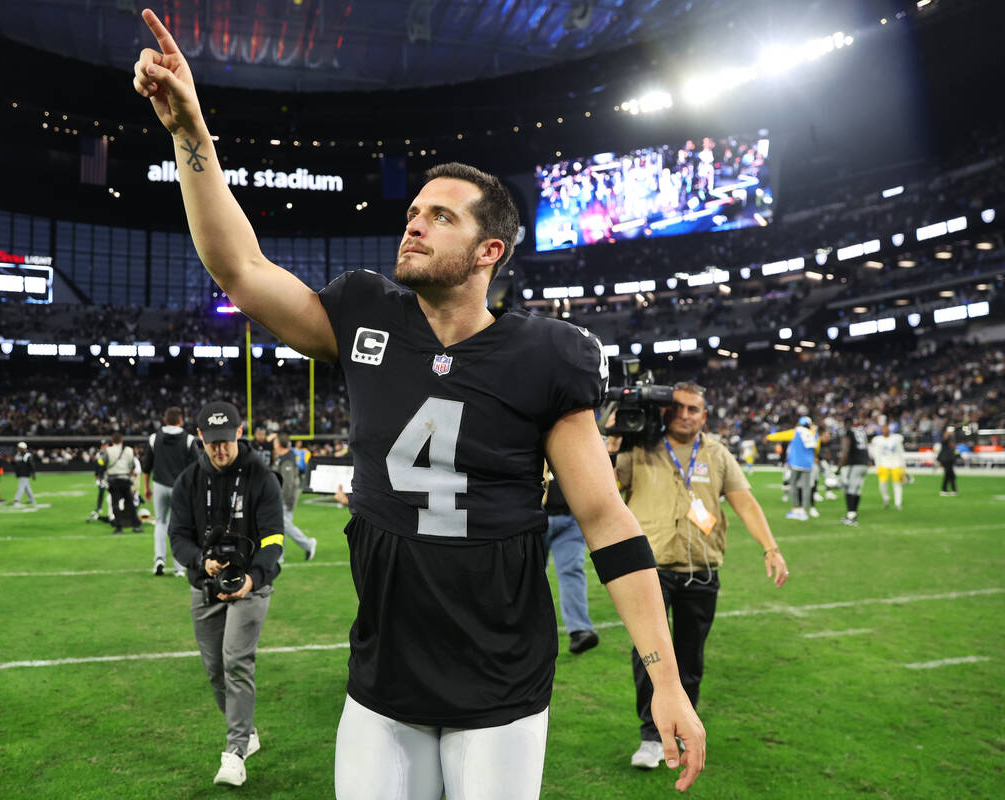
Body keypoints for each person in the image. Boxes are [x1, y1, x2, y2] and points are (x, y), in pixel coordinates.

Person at [134, 14, 705, 795]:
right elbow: (239, 270)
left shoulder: (546, 354)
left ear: (489, 252)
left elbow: (607, 520)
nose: (415, 221)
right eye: (414, 211)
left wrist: (664, 680)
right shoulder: (367, 313)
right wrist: (189, 130)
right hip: (384, 669)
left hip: (499, 678)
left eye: (442, 216)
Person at [610, 382, 788, 770]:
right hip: (649, 570)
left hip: (701, 570)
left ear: (704, 416)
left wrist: (770, 547)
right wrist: (611, 442)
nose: (685, 415)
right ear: (665, 411)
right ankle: (650, 736)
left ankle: (682, 730)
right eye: (678, 408)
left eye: (693, 409)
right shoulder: (639, 447)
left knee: (690, 658)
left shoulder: (718, 455)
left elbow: (745, 502)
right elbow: (605, 490)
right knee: (649, 656)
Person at [168, 401, 285, 787]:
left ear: (239, 432)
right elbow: (178, 536)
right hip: (205, 586)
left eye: (226, 441)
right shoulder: (188, 480)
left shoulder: (262, 478)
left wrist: (253, 578)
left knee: (236, 660)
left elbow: (272, 541)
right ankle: (245, 730)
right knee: (215, 670)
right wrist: (201, 562)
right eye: (212, 442)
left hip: (250, 584)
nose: (220, 450)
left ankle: (234, 753)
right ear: (200, 438)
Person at [542, 465, 597, 654]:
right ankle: (523, 628)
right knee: (528, 574)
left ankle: (580, 630)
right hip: (532, 517)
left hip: (569, 517)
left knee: (572, 570)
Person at [142, 407, 195, 576]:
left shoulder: (154, 438)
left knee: (160, 522)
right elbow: (196, 468)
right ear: (181, 420)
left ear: (165, 420)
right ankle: (179, 567)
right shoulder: (188, 439)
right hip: (180, 487)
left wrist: (147, 487)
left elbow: (146, 467)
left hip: (159, 485)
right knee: (180, 526)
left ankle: (159, 559)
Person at [272, 431, 318, 561]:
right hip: (282, 498)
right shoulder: (283, 457)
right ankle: (280, 556)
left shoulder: (287, 459)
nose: (273, 444)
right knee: (281, 525)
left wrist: (283, 500)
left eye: (275, 441)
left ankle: (308, 544)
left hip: (285, 500)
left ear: (279, 443)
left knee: (284, 525)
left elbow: (288, 483)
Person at [767, 416, 817, 520]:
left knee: (793, 486)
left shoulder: (796, 431)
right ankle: (804, 510)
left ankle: (795, 508)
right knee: (806, 487)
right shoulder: (813, 434)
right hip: (808, 464)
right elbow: (816, 447)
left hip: (796, 463)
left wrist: (768, 437)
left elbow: (779, 436)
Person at [103, 432, 142, 533]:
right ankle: (136, 525)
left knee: (115, 504)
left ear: (112, 441)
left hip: (113, 480)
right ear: (122, 441)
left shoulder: (108, 450)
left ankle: (118, 527)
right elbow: (132, 465)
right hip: (125, 480)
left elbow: (104, 464)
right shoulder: (129, 450)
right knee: (130, 503)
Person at [837, 417, 870, 525]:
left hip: (855, 463)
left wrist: (839, 467)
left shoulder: (849, 431)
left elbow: (846, 449)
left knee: (849, 489)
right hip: (864, 463)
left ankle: (851, 517)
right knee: (857, 490)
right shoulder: (861, 431)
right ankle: (853, 514)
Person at [870, 422, 907, 510]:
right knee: (882, 484)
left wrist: (903, 466)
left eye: (887, 428)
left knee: (897, 484)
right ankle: (886, 498)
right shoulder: (877, 440)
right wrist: (877, 466)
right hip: (883, 464)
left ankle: (898, 503)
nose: (885, 430)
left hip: (896, 464)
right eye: (883, 429)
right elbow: (876, 454)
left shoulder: (896, 438)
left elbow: (900, 452)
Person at [937, 430, 960, 496]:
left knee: (951, 476)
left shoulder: (950, 445)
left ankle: (951, 490)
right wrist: (948, 434)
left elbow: (955, 452)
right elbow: (945, 439)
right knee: (949, 476)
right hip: (946, 461)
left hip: (949, 461)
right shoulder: (944, 443)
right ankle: (945, 490)